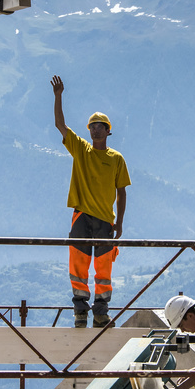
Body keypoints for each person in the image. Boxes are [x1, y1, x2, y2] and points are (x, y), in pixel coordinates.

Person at [51, 75, 130, 328]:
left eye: (100, 125)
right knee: (78, 264)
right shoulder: (80, 150)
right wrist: (58, 96)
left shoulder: (116, 159)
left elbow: (122, 192)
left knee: (103, 269)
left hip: (106, 220)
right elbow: (60, 125)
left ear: (108, 131)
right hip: (82, 216)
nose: (95, 129)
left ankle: (100, 313)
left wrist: (119, 223)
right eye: (92, 126)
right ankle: (81, 312)